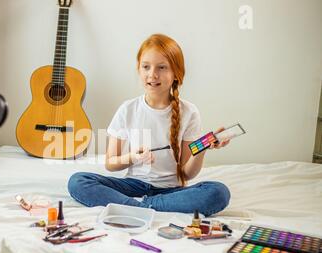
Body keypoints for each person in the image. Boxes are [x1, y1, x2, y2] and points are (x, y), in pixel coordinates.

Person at [68, 34, 231, 217]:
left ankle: (138, 207)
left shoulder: (189, 112)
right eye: (146, 67)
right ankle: (146, 207)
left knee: (218, 192)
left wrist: (202, 149)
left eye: (162, 67)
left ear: (176, 73)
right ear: (139, 69)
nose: (152, 74)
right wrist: (132, 158)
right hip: (132, 186)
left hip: (171, 191)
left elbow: (187, 174)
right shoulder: (127, 109)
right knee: (78, 181)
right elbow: (110, 164)